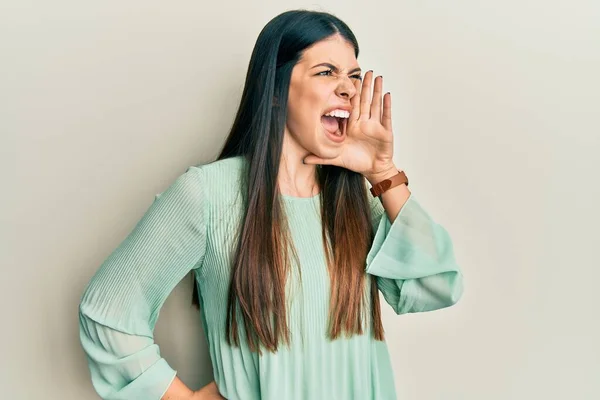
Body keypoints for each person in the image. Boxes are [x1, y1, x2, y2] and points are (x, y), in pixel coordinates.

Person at [78, 9, 464, 400]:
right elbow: (108, 314)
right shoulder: (206, 195)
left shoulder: (360, 199)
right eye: (327, 72)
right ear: (276, 91)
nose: (348, 88)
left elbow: (435, 288)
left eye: (354, 75)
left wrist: (383, 173)